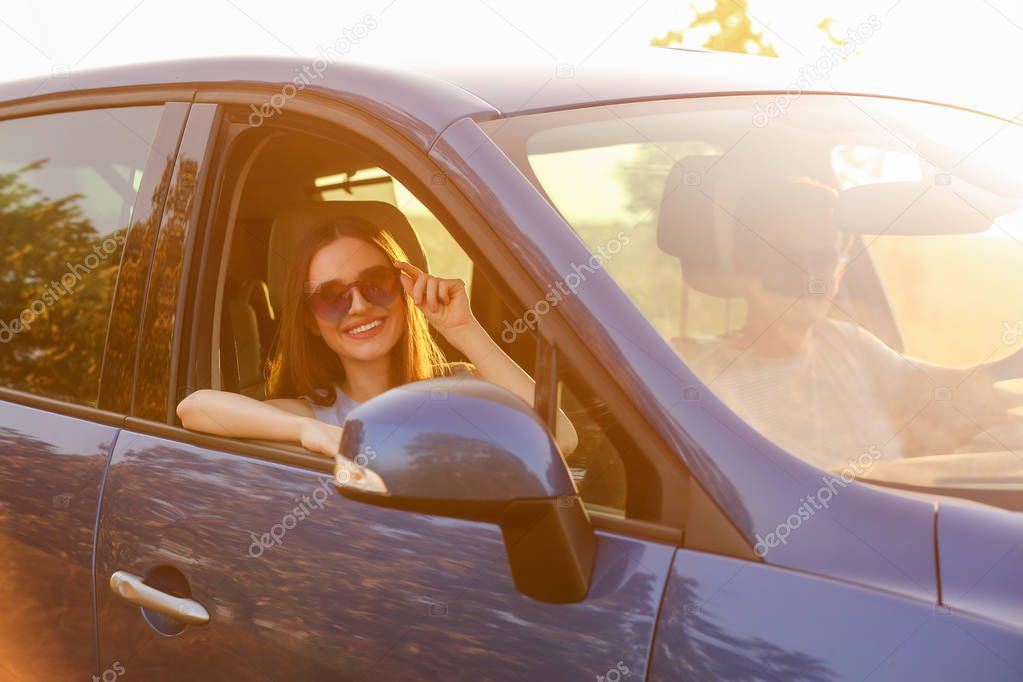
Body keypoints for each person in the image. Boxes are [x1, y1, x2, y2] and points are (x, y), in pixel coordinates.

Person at [677, 178, 1019, 473]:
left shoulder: (848, 344)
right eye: (788, 259)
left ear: (841, 268)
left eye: (824, 259)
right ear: (746, 264)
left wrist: (1010, 367)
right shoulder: (702, 377)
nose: (810, 278)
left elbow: (951, 391)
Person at [177, 216, 577, 458]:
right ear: (312, 321)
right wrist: (308, 432)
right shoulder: (317, 414)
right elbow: (195, 407)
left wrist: (464, 330)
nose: (358, 306)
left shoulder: (461, 389)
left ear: (403, 292)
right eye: (332, 297)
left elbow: (560, 438)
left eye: (376, 283)